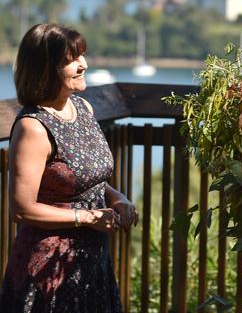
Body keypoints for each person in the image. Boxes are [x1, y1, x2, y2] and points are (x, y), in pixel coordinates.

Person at [0, 23, 138, 312]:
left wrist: (118, 199)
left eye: (82, 56)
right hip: (48, 268)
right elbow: (21, 209)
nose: (83, 65)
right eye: (71, 60)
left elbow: (86, 178)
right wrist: (88, 217)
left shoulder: (83, 109)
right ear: (45, 69)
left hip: (91, 261)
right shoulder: (33, 127)